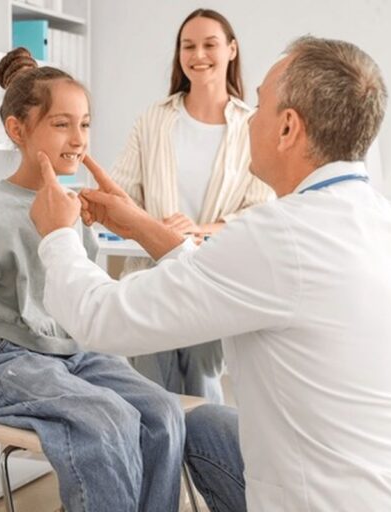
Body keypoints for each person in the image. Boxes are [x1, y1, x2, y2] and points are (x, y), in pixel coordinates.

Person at [30, 36, 391, 511]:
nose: (250, 117)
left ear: (288, 127)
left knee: (187, 418)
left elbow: (101, 320)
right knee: (205, 425)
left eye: (259, 104)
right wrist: (141, 225)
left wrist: (57, 236)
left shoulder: (282, 233)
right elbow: (223, 280)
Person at [0, 47, 185, 512]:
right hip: (6, 360)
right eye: (62, 124)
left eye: (84, 124)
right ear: (17, 130)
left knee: (163, 413)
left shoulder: (73, 202)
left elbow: (85, 286)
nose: (78, 138)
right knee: (107, 417)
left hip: (72, 353)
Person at [111, 8, 272, 404]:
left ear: (231, 50)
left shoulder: (251, 125)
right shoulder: (153, 119)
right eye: (188, 46)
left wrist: (198, 230)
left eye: (209, 44)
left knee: (204, 391)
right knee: (150, 396)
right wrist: (157, 229)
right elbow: (119, 195)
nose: (198, 54)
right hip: (150, 277)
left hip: (213, 277)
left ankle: (207, 467)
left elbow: (262, 209)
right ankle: (157, 469)